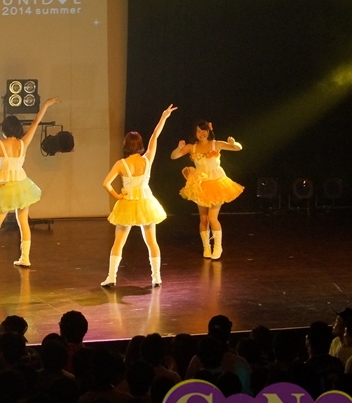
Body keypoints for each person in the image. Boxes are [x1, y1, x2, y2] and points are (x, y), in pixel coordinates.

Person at [0, 98, 59, 269]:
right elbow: (36, 122)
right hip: (23, 186)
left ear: (4, 130)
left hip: (6, 187)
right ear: (18, 129)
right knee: (23, 222)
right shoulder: (23, 143)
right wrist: (45, 105)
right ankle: (25, 258)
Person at [100, 105, 176, 288]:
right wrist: (164, 117)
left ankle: (111, 277)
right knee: (152, 241)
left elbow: (106, 184)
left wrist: (118, 196)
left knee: (119, 242)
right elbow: (155, 136)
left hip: (128, 202)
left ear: (126, 145)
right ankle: (156, 277)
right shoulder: (147, 159)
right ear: (140, 145)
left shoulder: (121, 164)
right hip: (146, 202)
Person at [170, 119, 244, 259]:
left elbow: (238, 148)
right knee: (203, 219)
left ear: (209, 131)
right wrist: (179, 148)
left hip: (217, 183)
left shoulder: (216, 144)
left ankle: (218, 247)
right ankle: (206, 247)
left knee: (212, 217)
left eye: (204, 130)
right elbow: (174, 156)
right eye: (198, 131)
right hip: (201, 185)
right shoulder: (192, 147)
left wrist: (233, 143)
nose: (201, 133)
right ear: (195, 133)